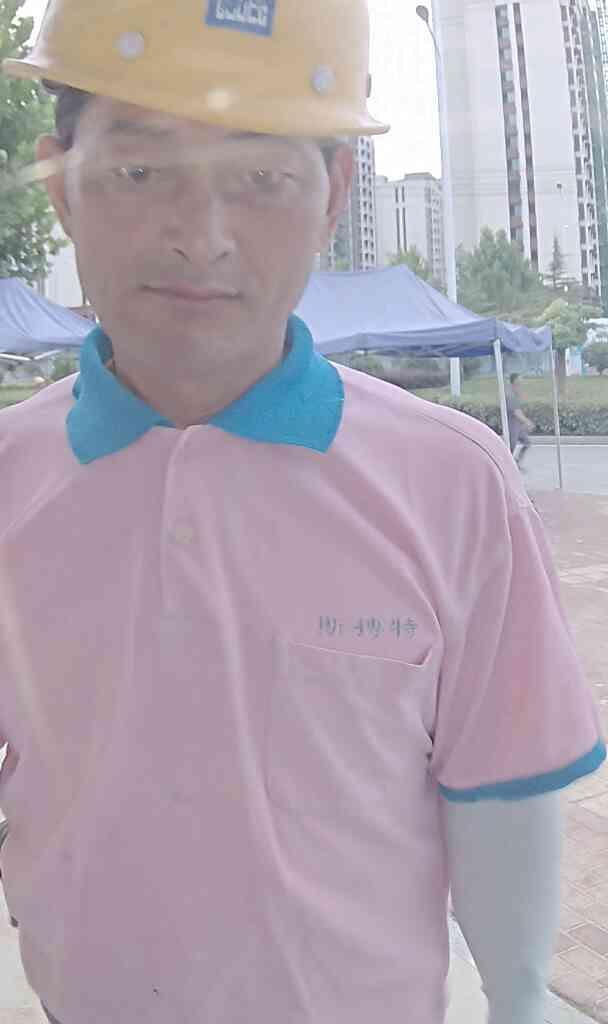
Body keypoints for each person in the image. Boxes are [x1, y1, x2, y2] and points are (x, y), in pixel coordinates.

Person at [0, 2, 605, 1023]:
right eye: (140, 170)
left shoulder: (451, 481)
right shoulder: (11, 475)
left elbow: (500, 784)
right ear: (60, 184)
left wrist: (517, 999)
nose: (200, 238)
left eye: (261, 177)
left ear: (334, 197)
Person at [507, 371, 535, 468]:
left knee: (527, 442)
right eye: (518, 383)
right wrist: (527, 422)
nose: (520, 386)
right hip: (512, 427)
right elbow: (516, 412)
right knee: (509, 449)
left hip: (518, 427)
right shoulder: (510, 396)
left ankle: (516, 462)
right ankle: (508, 465)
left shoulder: (515, 395)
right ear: (513, 383)